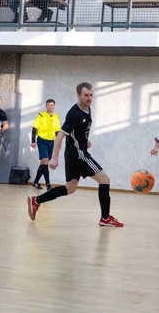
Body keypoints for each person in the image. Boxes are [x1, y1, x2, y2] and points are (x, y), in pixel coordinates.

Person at [26, 82, 123, 227]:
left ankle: (36, 201)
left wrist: (85, 140)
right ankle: (105, 218)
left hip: (74, 153)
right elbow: (60, 136)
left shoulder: (87, 109)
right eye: (86, 95)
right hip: (78, 155)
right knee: (105, 180)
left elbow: (78, 132)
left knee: (70, 188)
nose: (89, 98)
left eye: (91, 95)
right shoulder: (74, 114)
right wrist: (54, 158)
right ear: (78, 95)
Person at [31, 99, 60, 190]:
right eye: (48, 105)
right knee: (45, 160)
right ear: (46, 106)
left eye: (52, 105)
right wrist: (33, 141)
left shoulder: (56, 116)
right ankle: (48, 184)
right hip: (42, 140)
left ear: (54, 106)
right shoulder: (41, 115)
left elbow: (57, 131)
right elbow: (34, 128)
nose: (50, 107)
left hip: (51, 141)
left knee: (44, 163)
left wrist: (58, 143)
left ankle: (35, 182)